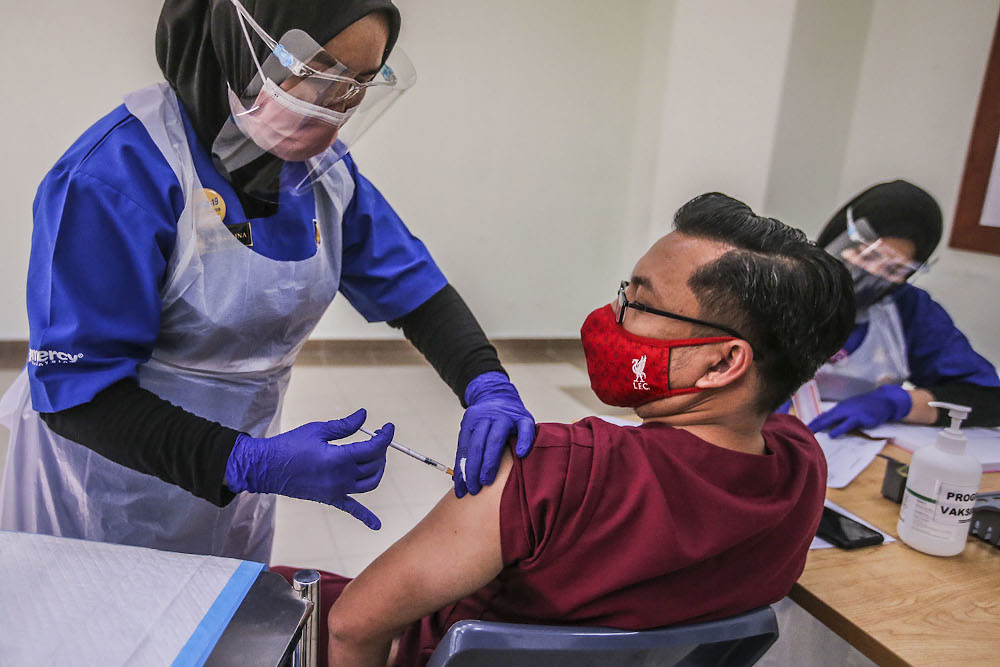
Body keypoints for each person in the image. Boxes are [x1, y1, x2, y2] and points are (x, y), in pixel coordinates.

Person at [0, 0, 535, 563]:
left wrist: (486, 384)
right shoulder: (117, 175)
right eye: (315, 73)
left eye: (356, 85)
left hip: (235, 487)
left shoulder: (323, 178)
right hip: (104, 489)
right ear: (244, 41)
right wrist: (248, 462)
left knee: (224, 632)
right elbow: (78, 394)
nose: (333, 108)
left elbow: (417, 293)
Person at [270, 192, 857, 667]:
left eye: (640, 302)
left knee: (259, 593)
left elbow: (352, 627)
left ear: (722, 362)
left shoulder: (555, 469)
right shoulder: (801, 466)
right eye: (623, 289)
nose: (614, 315)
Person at [809, 180, 1000, 437]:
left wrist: (898, 403)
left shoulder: (908, 309)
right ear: (839, 238)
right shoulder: (775, 280)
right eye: (868, 256)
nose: (874, 274)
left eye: (894, 269)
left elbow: (988, 398)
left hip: (847, 445)